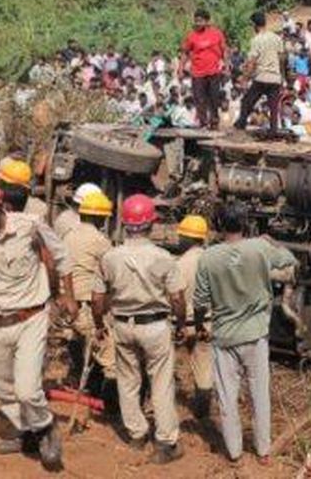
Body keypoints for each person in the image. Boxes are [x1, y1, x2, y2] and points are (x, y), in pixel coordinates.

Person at [0, 178, 71, 469]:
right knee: (2, 387)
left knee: (28, 389)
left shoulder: (30, 226)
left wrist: (67, 295)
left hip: (30, 317)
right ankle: (25, 430)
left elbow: (61, 256)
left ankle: (45, 430)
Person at [194, 202, 298, 466]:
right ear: (246, 224)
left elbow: (200, 301)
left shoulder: (208, 257)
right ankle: (263, 451)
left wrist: (199, 326)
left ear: (219, 226)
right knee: (259, 393)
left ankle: (234, 452)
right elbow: (290, 261)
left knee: (227, 398)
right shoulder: (259, 248)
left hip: (224, 337)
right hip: (255, 336)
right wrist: (272, 242)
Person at [91, 194, 185, 464]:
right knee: (161, 382)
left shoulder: (110, 257)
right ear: (151, 224)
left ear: (125, 223)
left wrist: (99, 325)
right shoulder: (163, 257)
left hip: (123, 325)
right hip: (154, 325)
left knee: (128, 380)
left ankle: (137, 434)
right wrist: (179, 326)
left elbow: (97, 299)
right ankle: (166, 443)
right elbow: (177, 299)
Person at [61, 190, 116, 388]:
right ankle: (110, 407)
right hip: (87, 307)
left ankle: (77, 380)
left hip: (67, 304)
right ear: (98, 217)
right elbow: (112, 275)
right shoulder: (100, 241)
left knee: (78, 343)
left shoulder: (68, 235)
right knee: (111, 359)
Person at [173, 214, 214, 420]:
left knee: (163, 366)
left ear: (187, 239)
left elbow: (176, 298)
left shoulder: (180, 264)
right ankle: (202, 416)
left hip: (182, 323)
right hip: (206, 325)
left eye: (181, 236)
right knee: (204, 372)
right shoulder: (213, 262)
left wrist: (179, 325)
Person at [235, 11, 285, 132]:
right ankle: (274, 130)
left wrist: (245, 78)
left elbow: (252, 62)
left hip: (262, 77)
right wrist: (281, 76)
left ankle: (241, 123)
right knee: (273, 107)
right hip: (275, 78)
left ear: (254, 25)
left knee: (246, 101)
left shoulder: (256, 40)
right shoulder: (276, 38)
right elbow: (282, 59)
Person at [181, 9, 226, 129]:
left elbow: (224, 50)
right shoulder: (191, 36)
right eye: (196, 21)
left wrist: (227, 64)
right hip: (197, 72)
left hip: (213, 71)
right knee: (199, 99)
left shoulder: (217, 34)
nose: (197, 23)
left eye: (200, 21)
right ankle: (203, 122)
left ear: (207, 21)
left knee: (214, 98)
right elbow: (185, 53)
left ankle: (214, 121)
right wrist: (180, 68)